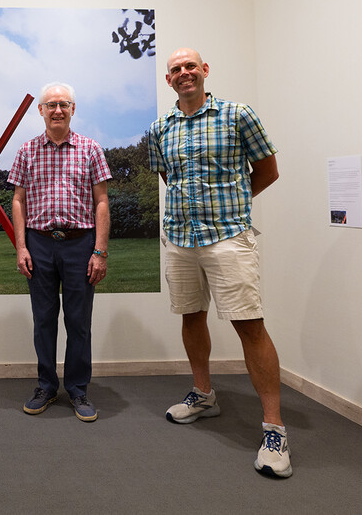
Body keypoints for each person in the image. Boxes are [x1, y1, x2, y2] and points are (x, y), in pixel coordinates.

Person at [147, 48, 290, 477]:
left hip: (228, 237)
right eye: (175, 70)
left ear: (204, 71)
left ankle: (275, 429)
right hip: (180, 239)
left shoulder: (237, 114)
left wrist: (232, 207)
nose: (184, 73)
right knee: (192, 316)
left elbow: (267, 170)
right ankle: (203, 394)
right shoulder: (159, 129)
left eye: (190, 66)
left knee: (249, 324)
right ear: (168, 80)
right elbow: (168, 177)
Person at [8, 81, 112, 422]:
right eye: (50, 104)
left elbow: (101, 202)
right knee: (43, 321)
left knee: (79, 321)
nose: (57, 110)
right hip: (38, 243)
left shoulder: (90, 149)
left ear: (72, 109)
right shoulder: (26, 151)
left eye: (63, 104)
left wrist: (99, 251)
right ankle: (47, 386)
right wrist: (21, 247)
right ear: (41, 110)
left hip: (81, 243)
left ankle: (79, 389)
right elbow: (18, 201)